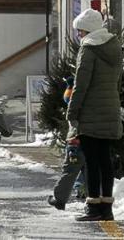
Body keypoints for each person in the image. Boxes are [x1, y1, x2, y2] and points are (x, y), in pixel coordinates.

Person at [67, 8, 122, 222]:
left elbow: (81, 84)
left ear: (87, 30)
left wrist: (72, 112)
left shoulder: (88, 49)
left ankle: (93, 207)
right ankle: (107, 209)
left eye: (80, 31)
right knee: (105, 159)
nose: (79, 35)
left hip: (91, 111)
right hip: (110, 108)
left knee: (91, 161)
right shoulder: (114, 46)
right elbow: (117, 81)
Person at [48, 77, 87, 210]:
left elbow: (68, 99)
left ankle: (59, 199)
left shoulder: (77, 94)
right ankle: (92, 199)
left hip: (75, 139)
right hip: (92, 137)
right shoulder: (96, 94)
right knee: (90, 170)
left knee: (70, 171)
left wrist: (70, 86)